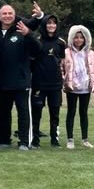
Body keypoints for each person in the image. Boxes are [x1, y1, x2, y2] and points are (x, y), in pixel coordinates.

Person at [0, 4, 41, 150]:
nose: (7, 16)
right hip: (1, 81)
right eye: (4, 13)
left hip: (21, 81)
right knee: (3, 112)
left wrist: (29, 34)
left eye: (10, 13)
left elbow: (37, 49)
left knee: (23, 113)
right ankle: (3, 140)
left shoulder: (22, 30)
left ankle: (24, 142)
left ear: (14, 15)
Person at [62, 25, 94, 149]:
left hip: (85, 87)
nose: (78, 40)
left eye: (81, 38)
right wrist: (65, 81)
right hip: (72, 87)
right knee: (71, 112)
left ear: (85, 39)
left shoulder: (90, 53)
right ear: (72, 38)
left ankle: (85, 139)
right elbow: (62, 68)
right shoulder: (67, 52)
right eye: (76, 37)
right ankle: (70, 139)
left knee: (83, 113)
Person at [31, 15, 66, 148]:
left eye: (54, 23)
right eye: (49, 23)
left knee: (55, 113)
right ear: (44, 25)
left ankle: (54, 139)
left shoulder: (61, 43)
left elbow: (62, 62)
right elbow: (31, 62)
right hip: (39, 84)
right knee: (37, 113)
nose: (51, 26)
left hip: (55, 84)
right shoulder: (37, 41)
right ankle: (35, 140)